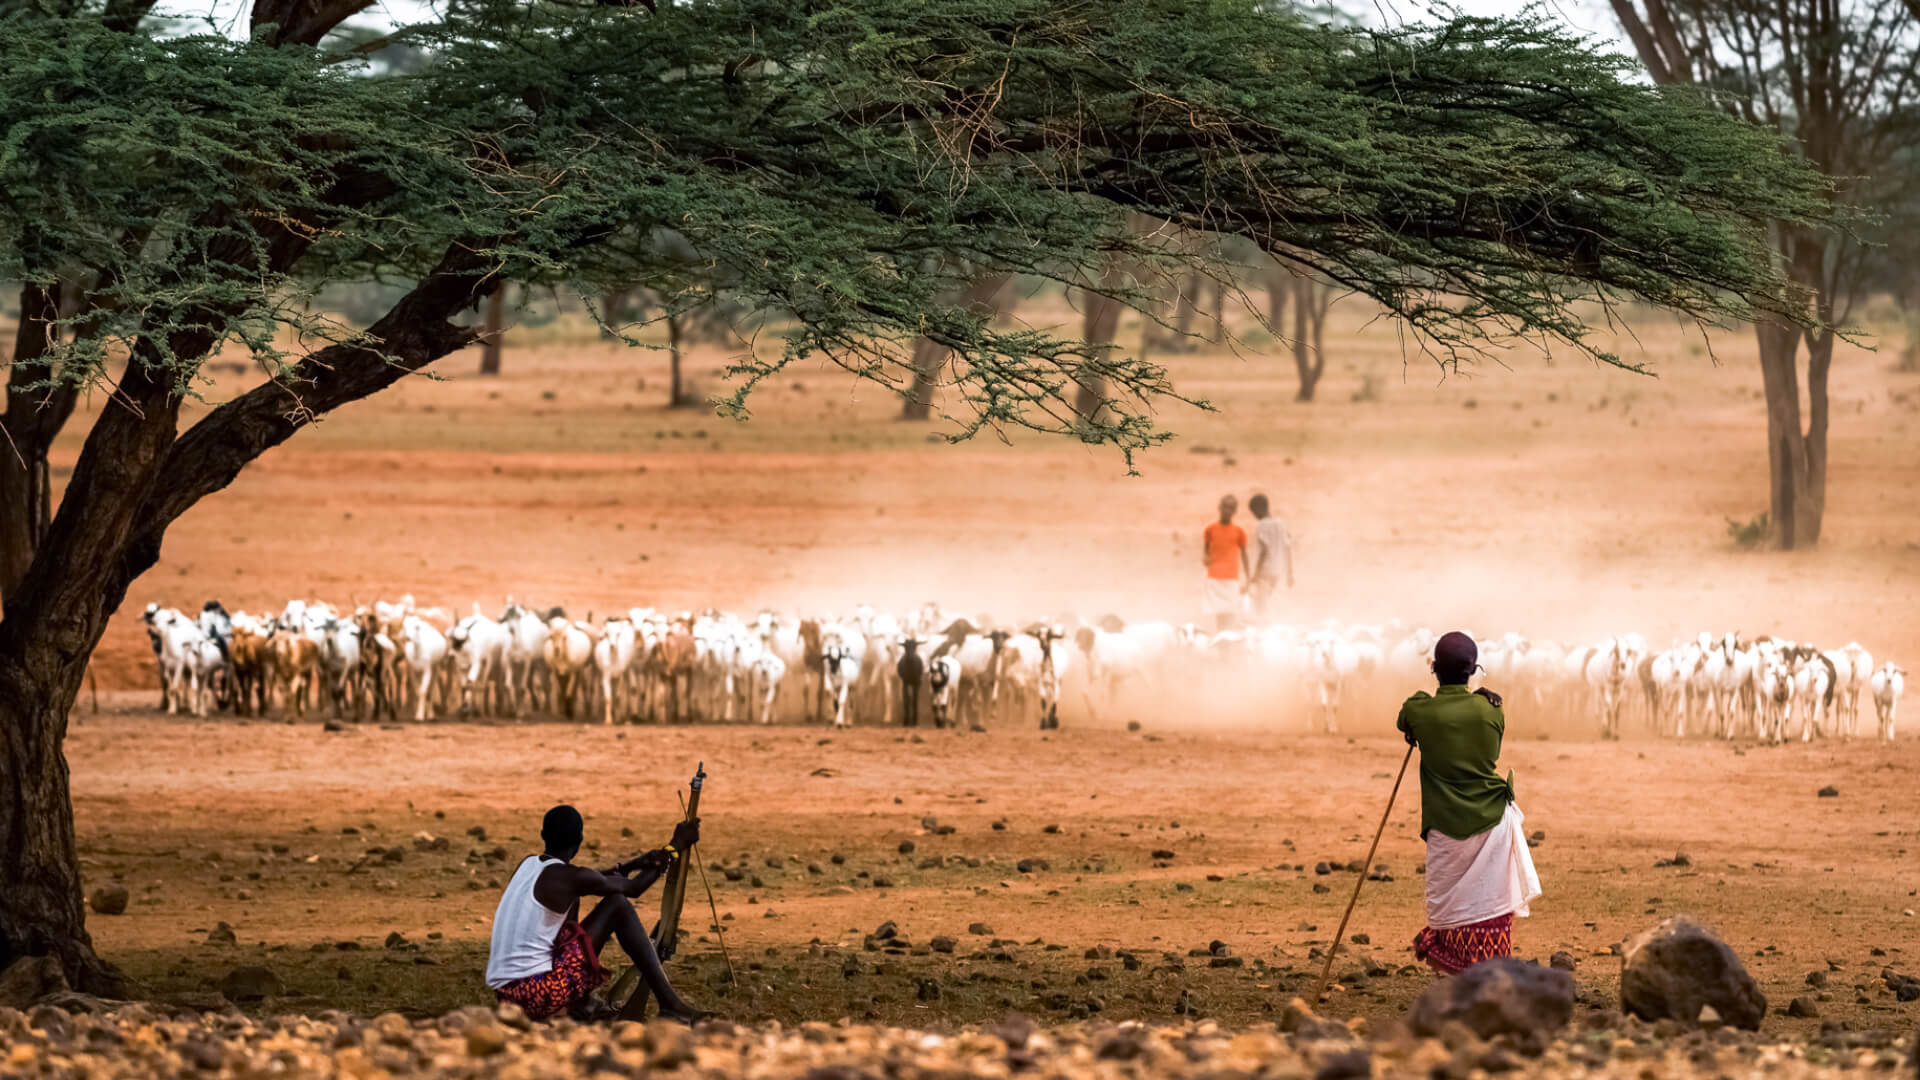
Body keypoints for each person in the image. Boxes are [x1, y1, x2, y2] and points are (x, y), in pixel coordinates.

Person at [1395, 632, 1541, 976]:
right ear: (1474, 670)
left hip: (1445, 826)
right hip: (1491, 821)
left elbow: (1407, 715)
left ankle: (1455, 982)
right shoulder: (1491, 709)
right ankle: (1489, 984)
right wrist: (1476, 694)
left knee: (1447, 914)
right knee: (1489, 909)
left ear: (1434, 669)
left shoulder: (1421, 711)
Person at [485, 805, 704, 1022]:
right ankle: (669, 1004)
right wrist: (675, 845)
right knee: (618, 904)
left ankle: (579, 1003)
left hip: (508, 999)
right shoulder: (572, 878)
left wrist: (633, 864)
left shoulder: (528, 865)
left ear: (543, 835)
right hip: (537, 995)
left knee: (574, 908)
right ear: (579, 841)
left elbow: (590, 880)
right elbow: (634, 888)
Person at [1201, 494, 1250, 631]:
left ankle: (1228, 643)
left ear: (1234, 511)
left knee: (1231, 613)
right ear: (1219, 507)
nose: (1226, 511)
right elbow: (1205, 552)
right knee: (1220, 614)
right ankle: (1223, 644)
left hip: (1231, 578)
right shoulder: (1210, 530)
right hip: (1215, 577)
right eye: (1224, 507)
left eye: (1230, 508)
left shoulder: (1239, 532)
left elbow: (1245, 556)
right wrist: (1205, 559)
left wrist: (1248, 577)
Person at [1243, 494, 1293, 618]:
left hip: (1265, 571)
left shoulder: (1262, 525)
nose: (1255, 516)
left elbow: (1264, 551)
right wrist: (1290, 573)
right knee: (1278, 603)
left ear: (1259, 509)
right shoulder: (1281, 524)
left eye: (1254, 512)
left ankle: (1263, 627)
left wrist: (1255, 574)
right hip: (1279, 570)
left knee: (1261, 605)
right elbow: (1288, 548)